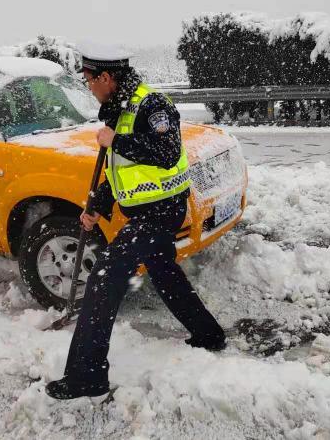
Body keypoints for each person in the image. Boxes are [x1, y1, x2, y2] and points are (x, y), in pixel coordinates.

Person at [46, 42, 226, 400]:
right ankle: (209, 335)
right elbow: (121, 171)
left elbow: (166, 152)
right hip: (147, 210)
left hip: (161, 210)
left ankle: (87, 376)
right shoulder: (118, 109)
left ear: (107, 77)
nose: (88, 87)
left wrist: (117, 140)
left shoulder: (151, 105)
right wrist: (97, 203)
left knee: (104, 275)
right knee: (163, 271)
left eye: (89, 80)